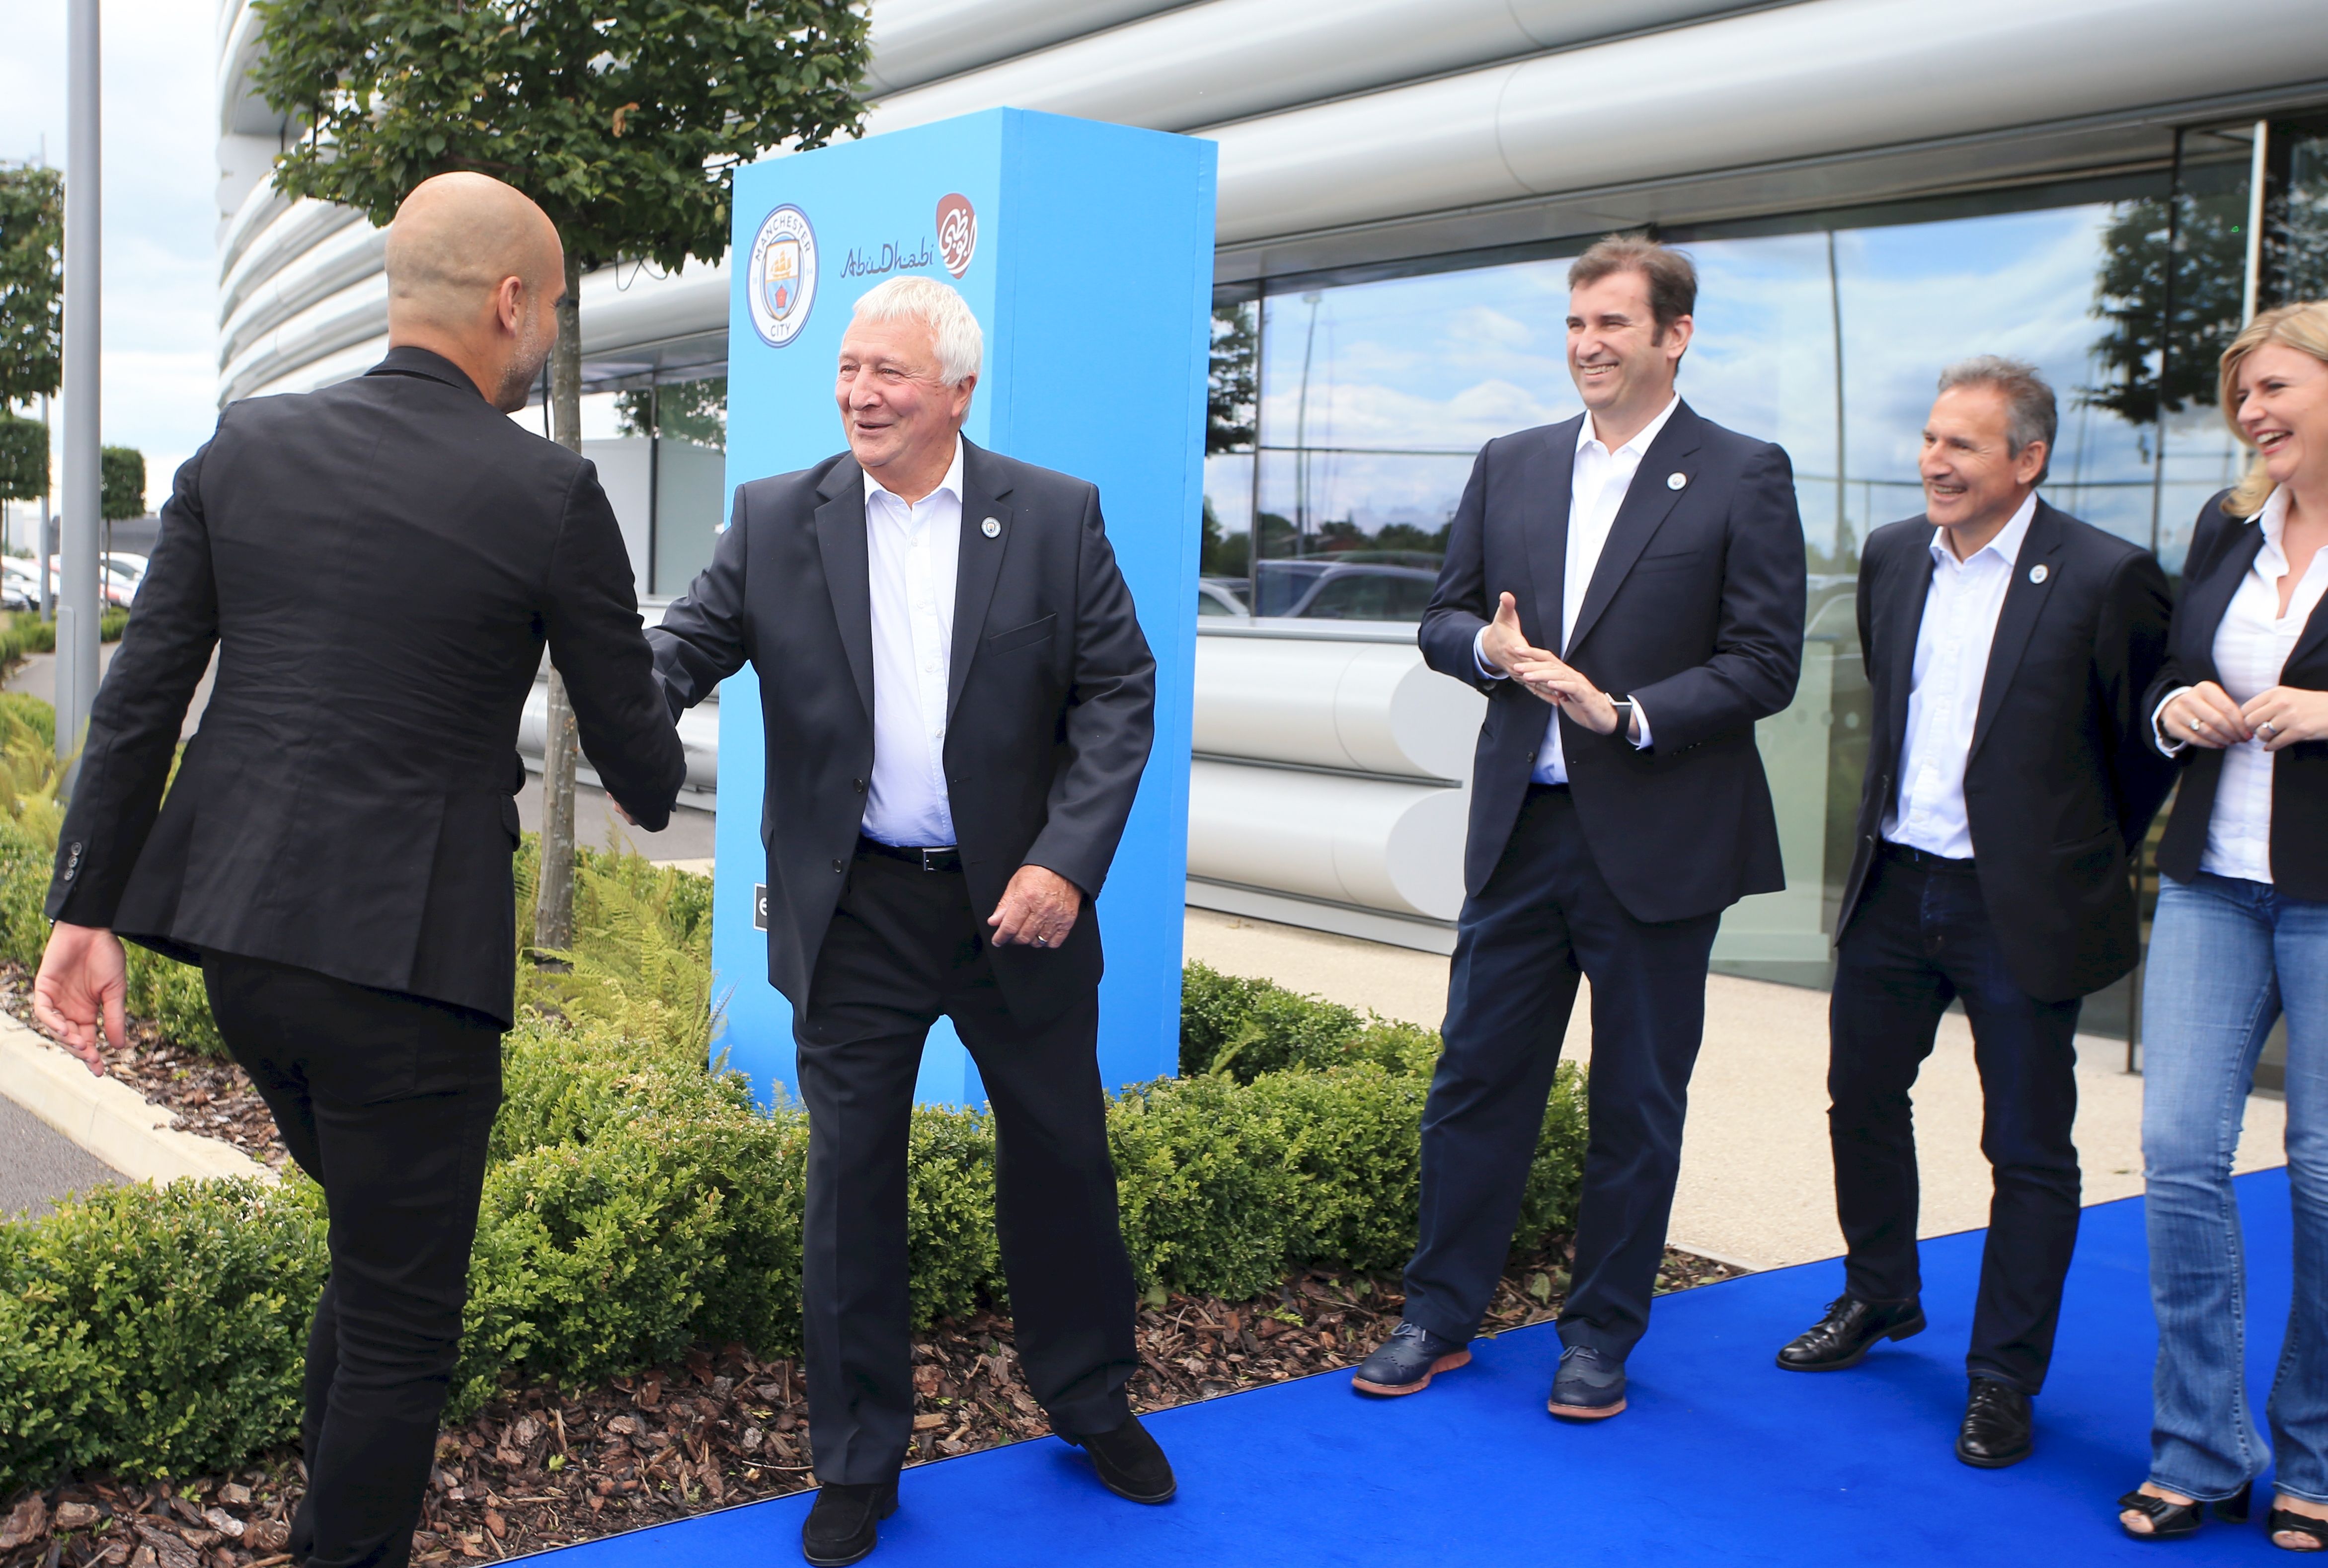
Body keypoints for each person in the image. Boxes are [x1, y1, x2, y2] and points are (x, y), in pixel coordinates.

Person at [30, 172, 685, 1568]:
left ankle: (328, 1520)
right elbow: (636, 765)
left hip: (245, 952)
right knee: (403, 1317)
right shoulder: (550, 490)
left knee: (375, 1252)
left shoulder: (243, 448)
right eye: (553, 312)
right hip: (410, 968)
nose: (547, 337)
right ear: (511, 303)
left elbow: (142, 698)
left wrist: (82, 911)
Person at [646, 274, 1164, 1566]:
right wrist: (603, 688)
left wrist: (1065, 860)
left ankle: (1090, 1397)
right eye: (848, 369)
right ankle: (857, 1461)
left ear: (955, 390)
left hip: (1018, 908)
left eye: (888, 371)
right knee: (849, 1186)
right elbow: (680, 652)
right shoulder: (776, 519)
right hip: (857, 905)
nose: (861, 393)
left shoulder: (1052, 515)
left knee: (1059, 1159)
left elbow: (1118, 694)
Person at [1351, 235, 1806, 1420]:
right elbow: (1441, 617)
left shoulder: (1744, 473)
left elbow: (1765, 662)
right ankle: (1436, 1315)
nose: (1588, 346)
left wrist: (1632, 713)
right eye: (1574, 325)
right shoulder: (1511, 463)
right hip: (1522, 832)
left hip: (1661, 837)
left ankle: (1600, 1335)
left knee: (1637, 1102)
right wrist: (1487, 651)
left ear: (1674, 335)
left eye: (1612, 324)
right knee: (1473, 1084)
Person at [1773, 358, 2173, 1469]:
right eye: (1931, 440)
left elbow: (2137, 753)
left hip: (2019, 905)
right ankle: (1878, 1294)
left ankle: (2003, 1376)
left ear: (2028, 460)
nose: (1933, 463)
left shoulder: (2107, 575)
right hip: (1898, 882)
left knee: (2029, 1147)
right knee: (1860, 1097)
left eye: (1962, 446)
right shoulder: (1895, 556)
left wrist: (2060, 857)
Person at [2118, 301, 2328, 1551]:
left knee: (2324, 1174)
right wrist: (2177, 708)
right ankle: (2201, 1448)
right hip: (2211, 878)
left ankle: (2316, 1450)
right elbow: (2164, 669)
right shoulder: (2230, 523)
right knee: (2179, 1152)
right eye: (2240, 395)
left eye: (2275, 386)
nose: (2251, 413)